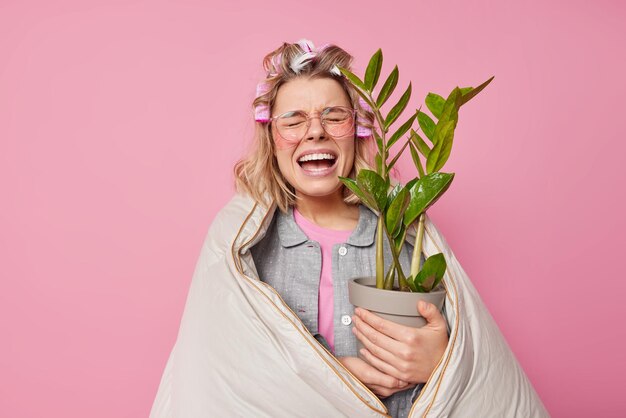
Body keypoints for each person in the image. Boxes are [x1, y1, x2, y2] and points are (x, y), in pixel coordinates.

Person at [150, 39, 550, 418]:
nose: (315, 131)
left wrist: (442, 360)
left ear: (356, 131)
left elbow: (472, 353)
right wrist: (334, 376)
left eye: (334, 116)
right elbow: (218, 370)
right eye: (293, 120)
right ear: (272, 138)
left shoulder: (401, 238)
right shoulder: (242, 248)